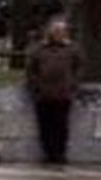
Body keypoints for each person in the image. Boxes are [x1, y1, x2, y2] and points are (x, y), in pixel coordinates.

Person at [27, 16, 82, 166]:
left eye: (61, 31)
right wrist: (35, 87)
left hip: (64, 94)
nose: (58, 34)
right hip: (43, 94)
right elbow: (31, 70)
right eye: (55, 31)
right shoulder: (39, 49)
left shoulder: (72, 49)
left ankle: (60, 154)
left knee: (61, 125)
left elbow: (79, 67)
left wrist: (73, 84)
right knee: (45, 126)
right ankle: (48, 154)